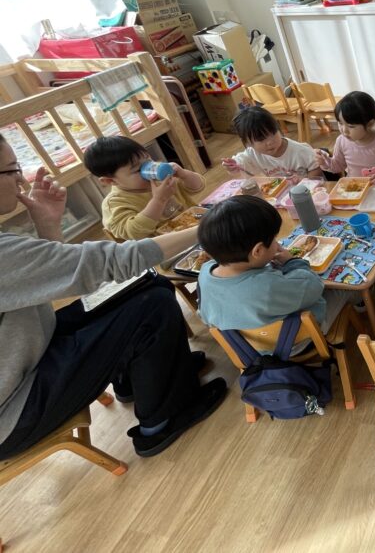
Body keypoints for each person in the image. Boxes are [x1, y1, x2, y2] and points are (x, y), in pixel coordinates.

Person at [0, 133, 226, 460]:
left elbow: (49, 278)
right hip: (16, 408)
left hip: (30, 351)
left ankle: (138, 379)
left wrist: (48, 227)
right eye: (11, 170)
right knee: (152, 305)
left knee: (149, 286)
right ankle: (159, 423)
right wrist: (212, 225)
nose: (20, 179)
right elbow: (111, 260)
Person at [196, 196, 351, 337]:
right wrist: (292, 262)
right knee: (342, 289)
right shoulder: (266, 287)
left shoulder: (205, 273)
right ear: (257, 251)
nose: (277, 244)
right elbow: (314, 285)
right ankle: (361, 305)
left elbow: (204, 315)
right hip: (296, 342)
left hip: (249, 348)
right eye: (274, 240)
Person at [84, 135, 205, 240]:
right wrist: (159, 200)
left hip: (198, 228)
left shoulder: (161, 180)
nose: (150, 169)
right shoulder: (116, 203)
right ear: (110, 181)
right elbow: (134, 232)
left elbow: (197, 187)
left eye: (148, 161)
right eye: (138, 170)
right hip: (168, 250)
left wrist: (184, 174)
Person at [314, 91, 375, 184]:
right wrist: (324, 162)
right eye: (340, 123)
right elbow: (337, 166)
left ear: (370, 123)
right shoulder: (342, 141)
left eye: (351, 126)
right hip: (355, 190)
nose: (344, 130)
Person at [222, 106, 322, 180]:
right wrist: (232, 166)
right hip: (281, 195)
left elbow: (316, 169)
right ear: (248, 143)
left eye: (273, 133)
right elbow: (240, 163)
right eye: (261, 139)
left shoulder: (300, 151)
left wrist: (305, 182)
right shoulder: (252, 154)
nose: (270, 142)